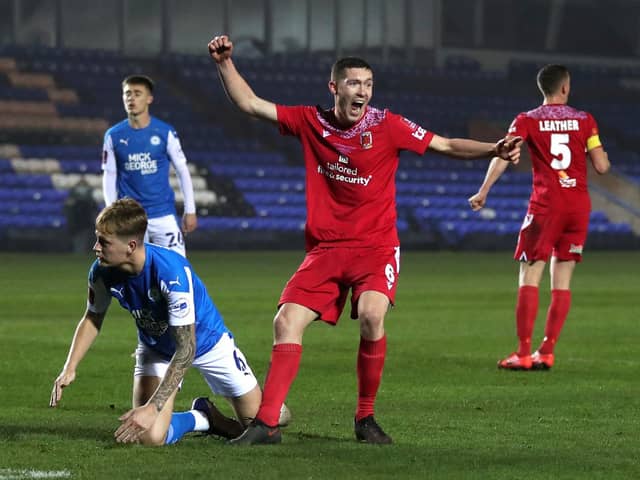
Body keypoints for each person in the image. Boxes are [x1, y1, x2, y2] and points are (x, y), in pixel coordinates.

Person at [207, 34, 522, 445]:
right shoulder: (310, 121)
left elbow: (444, 144)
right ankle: (266, 425)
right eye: (354, 83)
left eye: (368, 84)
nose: (363, 92)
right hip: (327, 248)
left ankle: (365, 418)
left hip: (375, 246)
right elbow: (250, 103)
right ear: (334, 87)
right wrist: (224, 63)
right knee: (285, 321)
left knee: (373, 315)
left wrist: (492, 149)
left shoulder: (387, 125)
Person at [50, 198, 290, 446]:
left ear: (131, 245)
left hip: (208, 343)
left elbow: (186, 349)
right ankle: (204, 417)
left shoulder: (171, 273)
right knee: (150, 437)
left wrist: (153, 407)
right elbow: (93, 317)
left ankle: (267, 406)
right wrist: (70, 367)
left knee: (264, 423)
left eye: (104, 242)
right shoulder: (101, 272)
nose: (95, 247)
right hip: (156, 348)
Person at [468, 64, 610, 371]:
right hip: (578, 207)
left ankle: (522, 353)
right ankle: (546, 351)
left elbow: (504, 155)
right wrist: (597, 151)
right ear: (565, 88)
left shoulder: (527, 120)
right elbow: (601, 166)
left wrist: (483, 191)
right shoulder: (585, 120)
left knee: (530, 275)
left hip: (546, 205)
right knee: (562, 281)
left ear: (543, 88)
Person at [102, 75, 198, 257]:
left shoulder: (165, 132)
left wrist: (190, 210)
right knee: (134, 275)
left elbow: (182, 170)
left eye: (137, 93)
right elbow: (109, 174)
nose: (131, 98)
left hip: (163, 214)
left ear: (149, 99)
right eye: (127, 94)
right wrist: (111, 211)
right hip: (131, 218)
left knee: (177, 269)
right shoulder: (113, 136)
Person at [64, 177, 99, 253]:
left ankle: (81, 252)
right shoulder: (73, 197)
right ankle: (78, 252)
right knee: (77, 239)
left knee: (84, 239)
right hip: (76, 222)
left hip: (85, 222)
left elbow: (94, 209)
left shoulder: (90, 199)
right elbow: (67, 209)